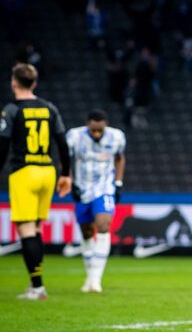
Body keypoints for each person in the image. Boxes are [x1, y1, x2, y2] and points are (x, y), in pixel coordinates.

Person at [0, 63, 72, 300]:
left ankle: (38, 287)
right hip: (47, 172)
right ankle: (36, 285)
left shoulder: (11, 110)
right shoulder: (50, 108)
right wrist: (66, 174)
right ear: (34, 83)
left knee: (26, 230)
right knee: (37, 228)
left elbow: (3, 146)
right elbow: (62, 143)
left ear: (14, 82)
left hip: (25, 172)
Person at [66, 109, 126, 293]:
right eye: (93, 130)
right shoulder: (74, 136)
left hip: (104, 188)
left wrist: (118, 182)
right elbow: (65, 159)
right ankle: (89, 276)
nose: (97, 134)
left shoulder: (117, 137)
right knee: (86, 232)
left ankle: (95, 279)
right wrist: (69, 180)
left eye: (100, 130)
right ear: (88, 125)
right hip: (82, 188)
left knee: (103, 226)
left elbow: (120, 158)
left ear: (105, 125)